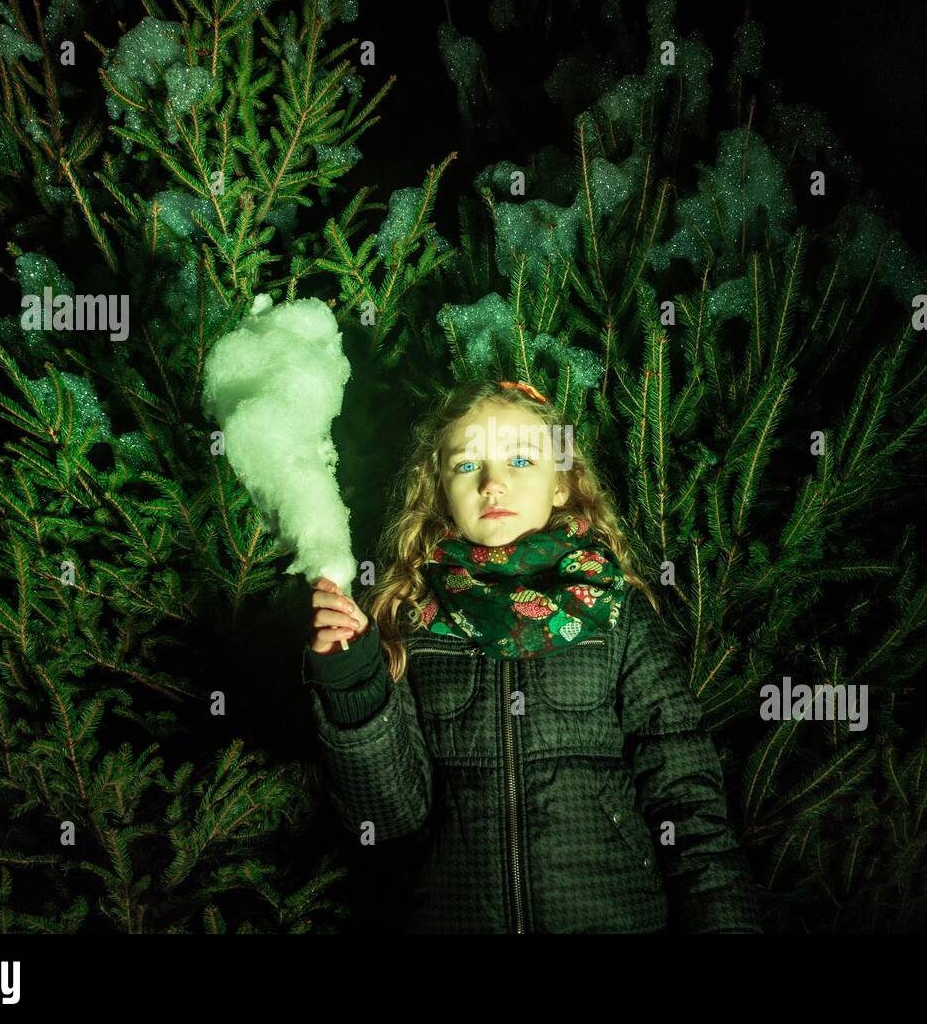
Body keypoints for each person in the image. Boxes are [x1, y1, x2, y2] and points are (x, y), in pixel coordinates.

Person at [303, 378, 764, 933]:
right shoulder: (411, 623)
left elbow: (684, 792)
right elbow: (388, 818)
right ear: (440, 488)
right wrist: (353, 679)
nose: (494, 484)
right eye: (468, 465)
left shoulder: (614, 613)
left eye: (521, 460)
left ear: (562, 485)